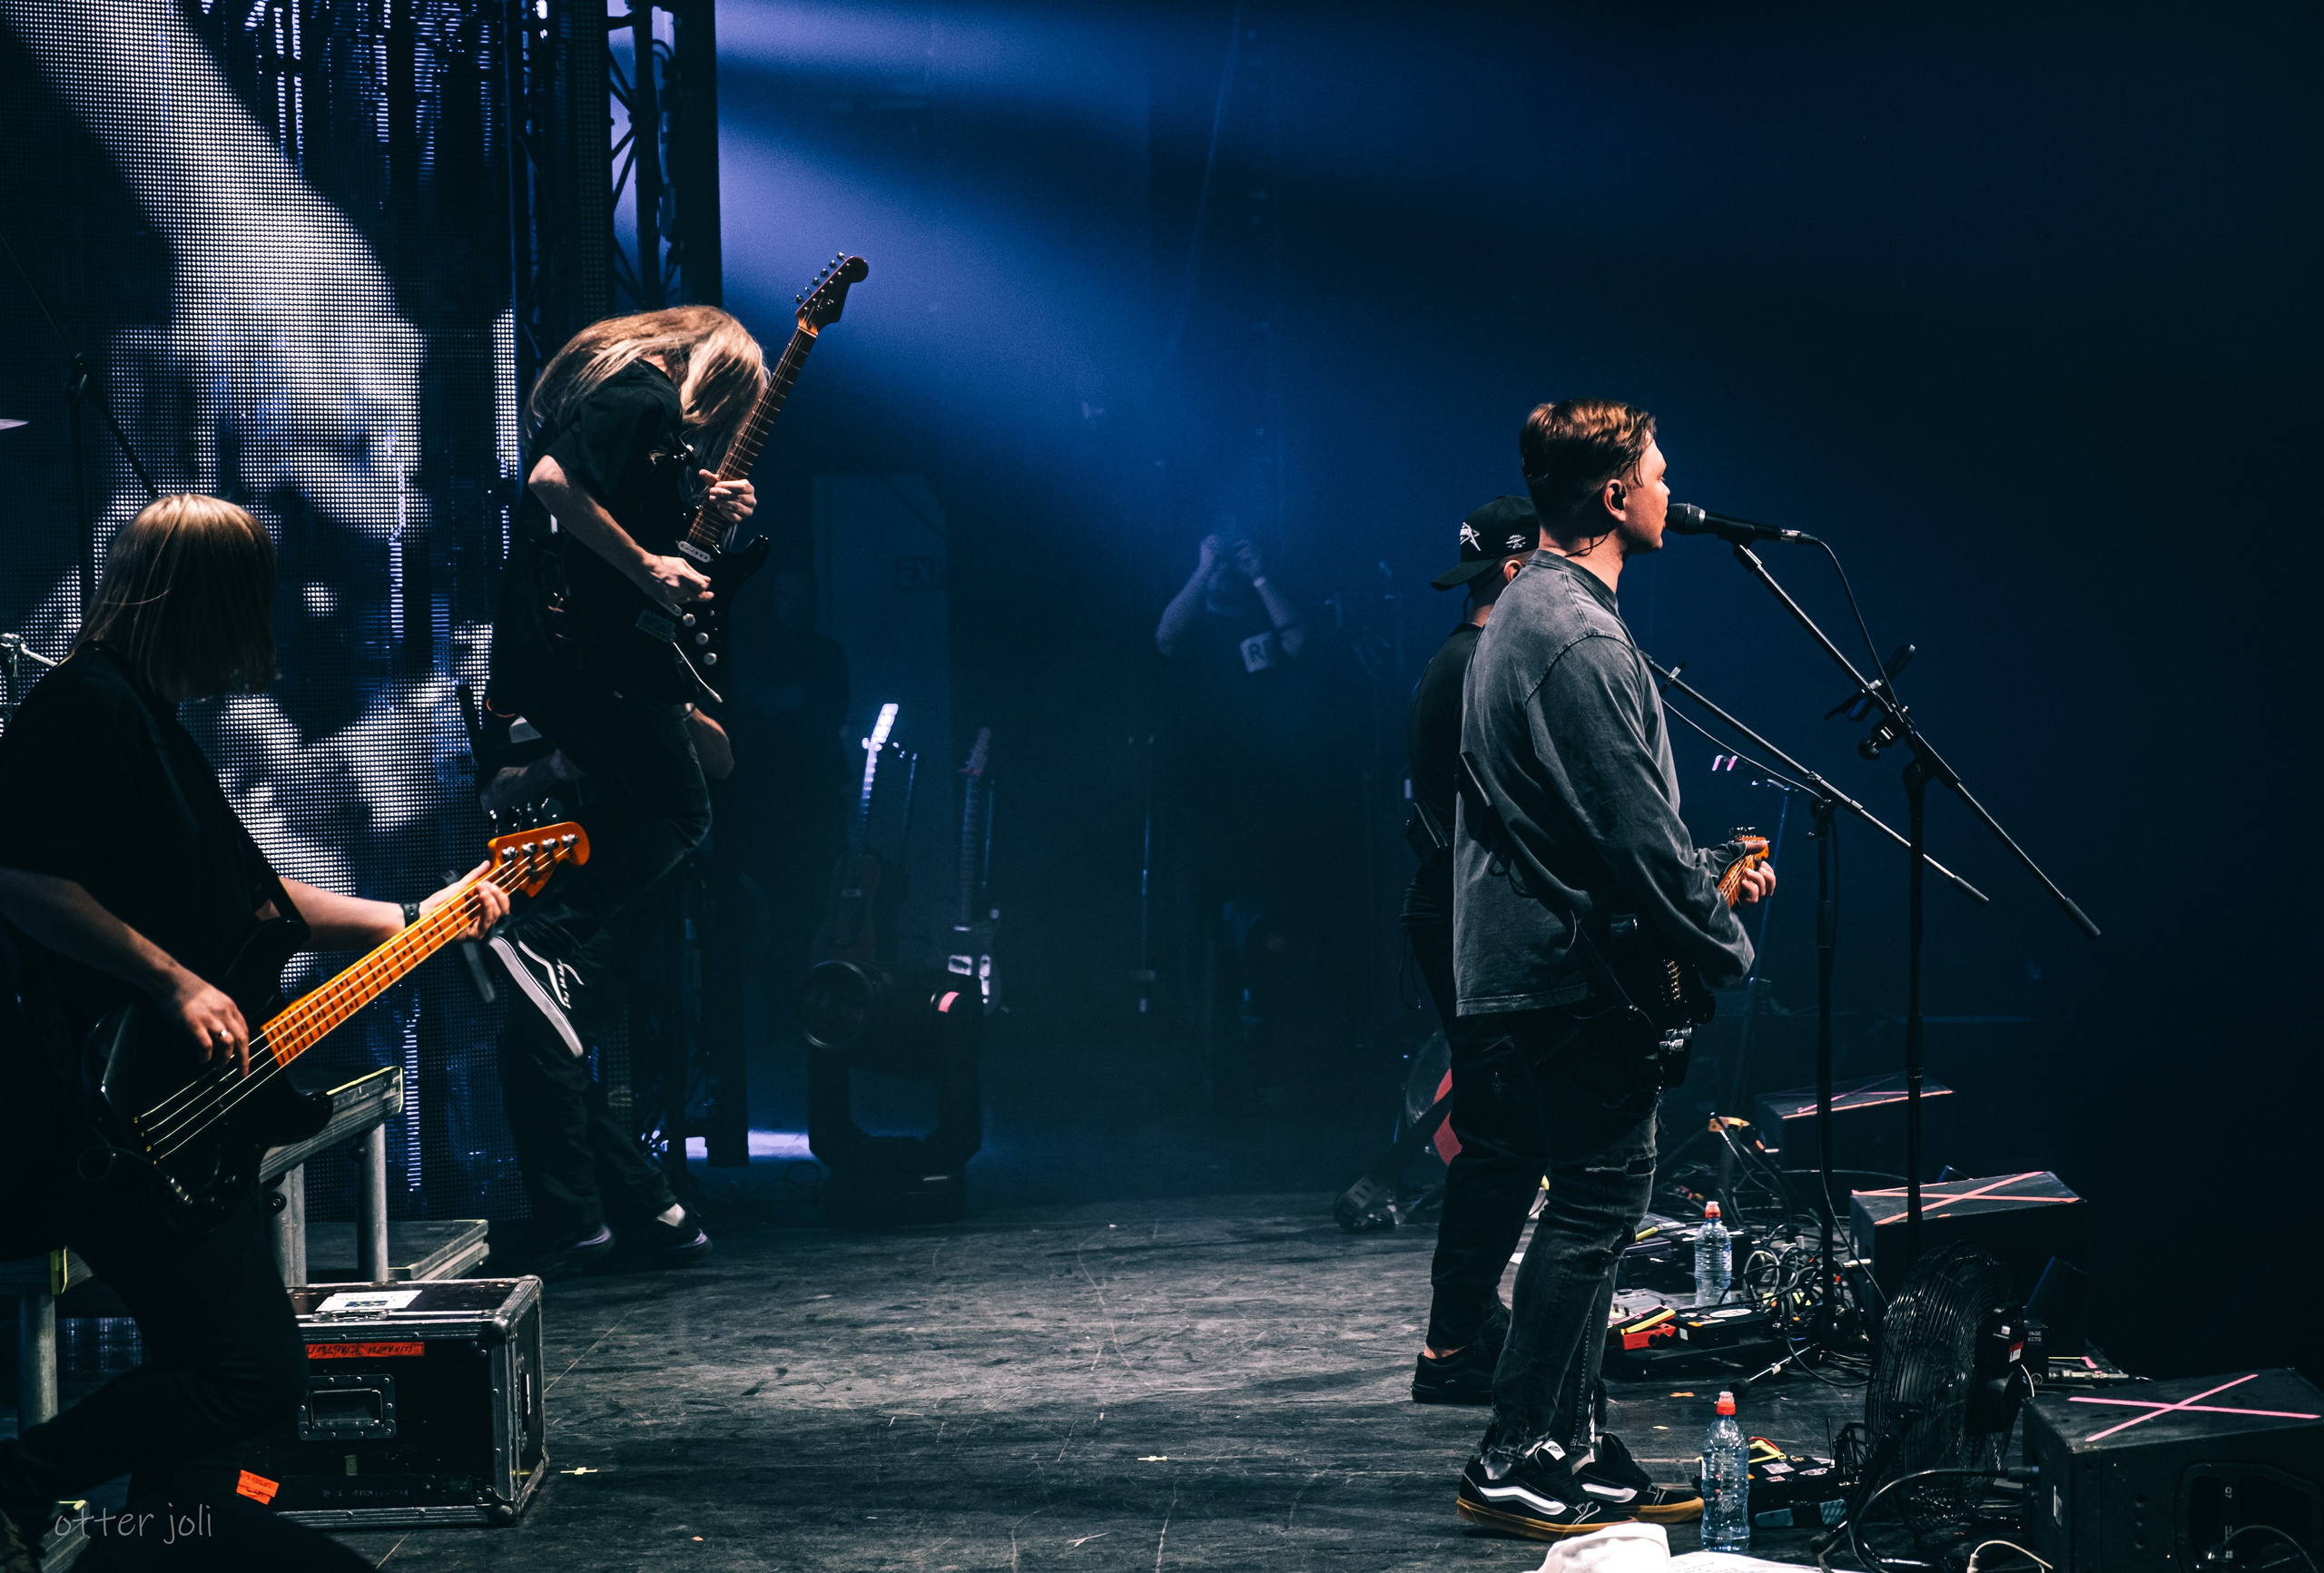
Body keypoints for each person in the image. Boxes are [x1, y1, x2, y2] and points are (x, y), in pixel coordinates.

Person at [0, 495, 507, 1570]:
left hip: (183, 1112)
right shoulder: (85, 707)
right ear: (206, 602)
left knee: (224, 1380)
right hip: (109, 1118)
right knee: (250, 1373)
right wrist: (171, 978)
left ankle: (137, 1550)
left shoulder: (147, 715)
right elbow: (19, 871)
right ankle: (23, 1479)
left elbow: (260, 902)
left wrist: (421, 914)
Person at [1451, 400, 1776, 1539]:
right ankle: (1513, 1452)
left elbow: (1600, 820)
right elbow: (1629, 830)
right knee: (1593, 1205)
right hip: (1561, 968)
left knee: (1592, 1202)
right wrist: (1720, 936)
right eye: (1653, 468)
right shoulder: (1573, 633)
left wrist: (1699, 877)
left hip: (1553, 960)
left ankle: (1570, 1447)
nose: (1669, 484)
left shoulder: (1545, 613)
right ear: (1610, 495)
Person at [483, 306, 765, 1263]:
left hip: (611, 771)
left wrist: (700, 521)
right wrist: (650, 565)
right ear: (714, 373)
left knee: (560, 1037)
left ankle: (629, 1208)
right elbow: (555, 483)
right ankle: (593, 1213)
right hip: (579, 786)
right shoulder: (641, 389)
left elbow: (719, 752)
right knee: (679, 813)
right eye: (721, 409)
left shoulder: (641, 418)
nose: (704, 435)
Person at [1403, 496, 1547, 1404]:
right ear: (1512, 569)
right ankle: (1454, 1341)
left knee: (1506, 1127)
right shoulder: (1473, 669)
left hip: (1454, 911)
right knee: (1502, 1132)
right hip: (1462, 919)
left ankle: (1467, 1325)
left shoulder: (1460, 660)